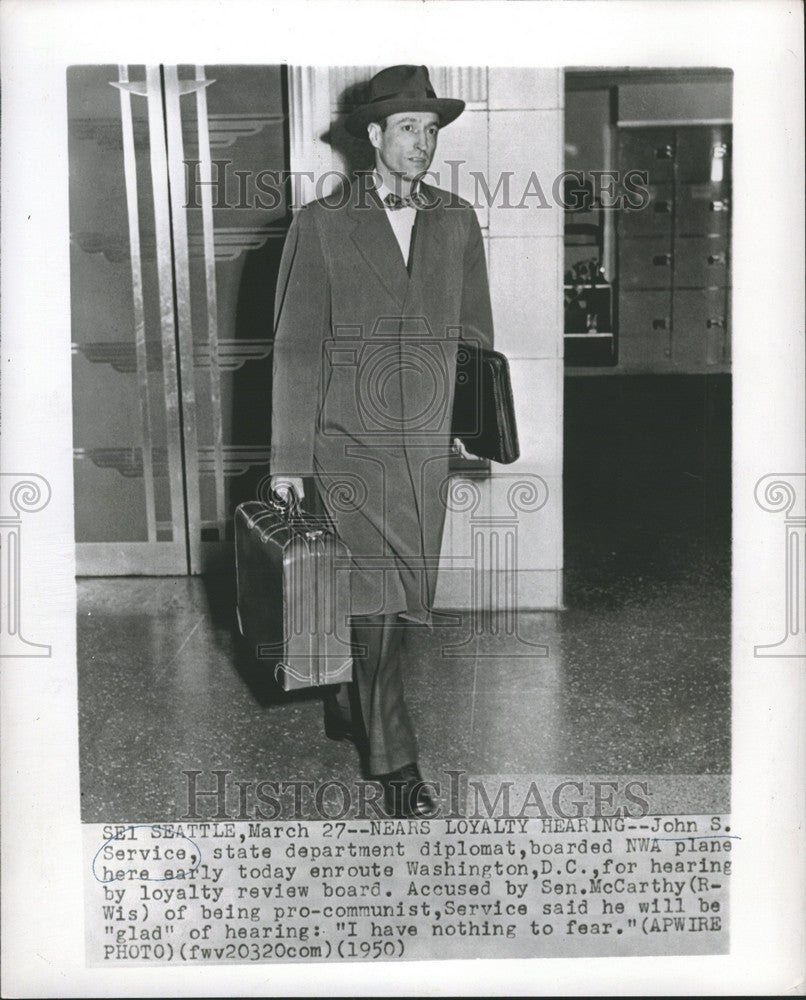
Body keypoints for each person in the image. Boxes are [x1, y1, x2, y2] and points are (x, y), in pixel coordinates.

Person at [270, 65, 494, 817]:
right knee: (380, 607)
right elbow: (296, 346)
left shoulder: (458, 219)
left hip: (425, 447)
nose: (422, 143)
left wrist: (476, 430)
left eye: (432, 130)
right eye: (408, 127)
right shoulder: (322, 223)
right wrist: (288, 461)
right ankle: (397, 763)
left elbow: (474, 337)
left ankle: (342, 690)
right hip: (347, 445)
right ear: (373, 135)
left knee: (403, 597)